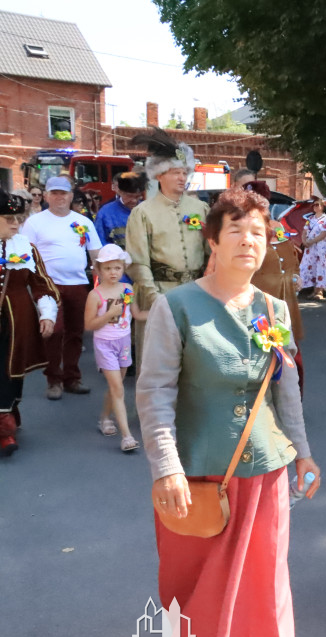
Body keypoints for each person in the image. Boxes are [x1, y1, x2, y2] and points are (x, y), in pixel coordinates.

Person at [138, 188, 320, 637]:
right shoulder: (175, 307)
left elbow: (286, 392)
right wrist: (166, 468)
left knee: (264, 581)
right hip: (198, 473)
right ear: (213, 242)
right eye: (235, 230)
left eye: (258, 232)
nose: (248, 241)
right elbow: (154, 393)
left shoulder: (274, 310)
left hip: (264, 474)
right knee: (198, 582)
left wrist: (302, 452)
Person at [125, 127, 209, 368]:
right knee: (158, 365)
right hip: (159, 293)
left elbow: (211, 254)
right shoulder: (142, 213)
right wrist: (155, 299)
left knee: (195, 364)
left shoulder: (200, 209)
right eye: (175, 172)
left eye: (184, 172)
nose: (182, 178)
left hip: (196, 295)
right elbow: (137, 262)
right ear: (159, 175)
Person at [21, 175, 102, 400]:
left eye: (63, 193)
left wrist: (102, 282)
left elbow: (95, 253)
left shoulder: (83, 222)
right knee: (54, 333)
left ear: (70, 196)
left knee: (76, 332)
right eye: (54, 193)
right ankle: (53, 380)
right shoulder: (35, 222)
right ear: (46, 196)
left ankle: (72, 378)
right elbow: (26, 254)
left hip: (77, 283)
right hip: (49, 285)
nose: (59, 197)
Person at [0, 191, 58, 456]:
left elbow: (42, 285)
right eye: (9, 218)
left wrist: (47, 314)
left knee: (10, 370)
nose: (16, 223)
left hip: (17, 321)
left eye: (19, 218)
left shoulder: (25, 247)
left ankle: (6, 426)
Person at [84, 245, 145, 452]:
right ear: (99, 270)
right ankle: (127, 436)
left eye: (117, 268)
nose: (113, 273)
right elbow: (89, 325)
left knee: (115, 386)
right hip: (104, 344)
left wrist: (161, 311)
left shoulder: (128, 289)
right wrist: (110, 314)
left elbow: (135, 314)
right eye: (108, 268)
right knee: (118, 388)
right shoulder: (95, 295)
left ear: (123, 268)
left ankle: (104, 418)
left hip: (124, 342)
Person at [246, 179, 306, 390]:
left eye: (261, 202)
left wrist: (296, 276)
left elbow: (290, 258)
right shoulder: (244, 232)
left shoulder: (277, 226)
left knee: (290, 358)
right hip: (259, 306)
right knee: (261, 357)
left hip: (285, 302)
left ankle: (290, 402)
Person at [94, 172, 147, 249]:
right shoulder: (105, 213)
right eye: (129, 196)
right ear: (120, 192)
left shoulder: (146, 210)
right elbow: (99, 242)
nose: (134, 201)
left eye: (137, 197)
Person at [298, 198, 326, 299]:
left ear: (322, 207)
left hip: (320, 247)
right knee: (309, 267)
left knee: (320, 267)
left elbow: (323, 234)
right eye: (314, 205)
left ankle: (319, 291)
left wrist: (311, 241)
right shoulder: (310, 219)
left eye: (317, 205)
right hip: (309, 248)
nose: (315, 207)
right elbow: (304, 231)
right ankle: (312, 290)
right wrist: (304, 241)